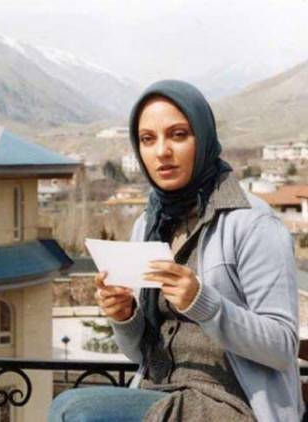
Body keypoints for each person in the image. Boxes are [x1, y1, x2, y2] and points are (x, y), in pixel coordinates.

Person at [49, 80, 303, 421]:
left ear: (203, 138)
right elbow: (140, 355)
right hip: (159, 393)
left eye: (178, 135)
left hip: (233, 406)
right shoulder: (149, 224)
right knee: (71, 408)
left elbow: (283, 346)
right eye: (147, 139)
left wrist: (204, 303)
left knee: (75, 410)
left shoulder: (252, 223)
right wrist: (124, 316)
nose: (162, 152)